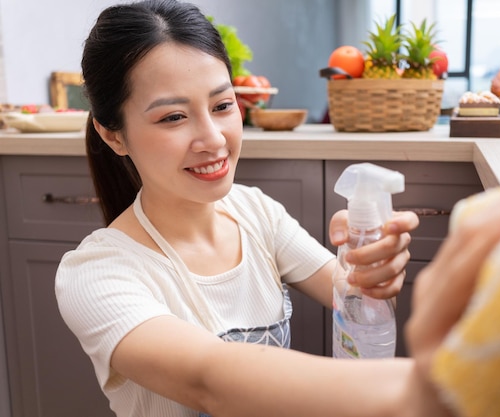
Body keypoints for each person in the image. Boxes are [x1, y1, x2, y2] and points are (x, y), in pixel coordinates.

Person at [55, 1, 419, 416]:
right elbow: (209, 381)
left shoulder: (256, 212)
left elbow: (349, 295)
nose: (212, 139)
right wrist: (416, 387)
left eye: (223, 106)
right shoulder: (95, 272)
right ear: (113, 135)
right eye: (174, 117)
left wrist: (365, 259)